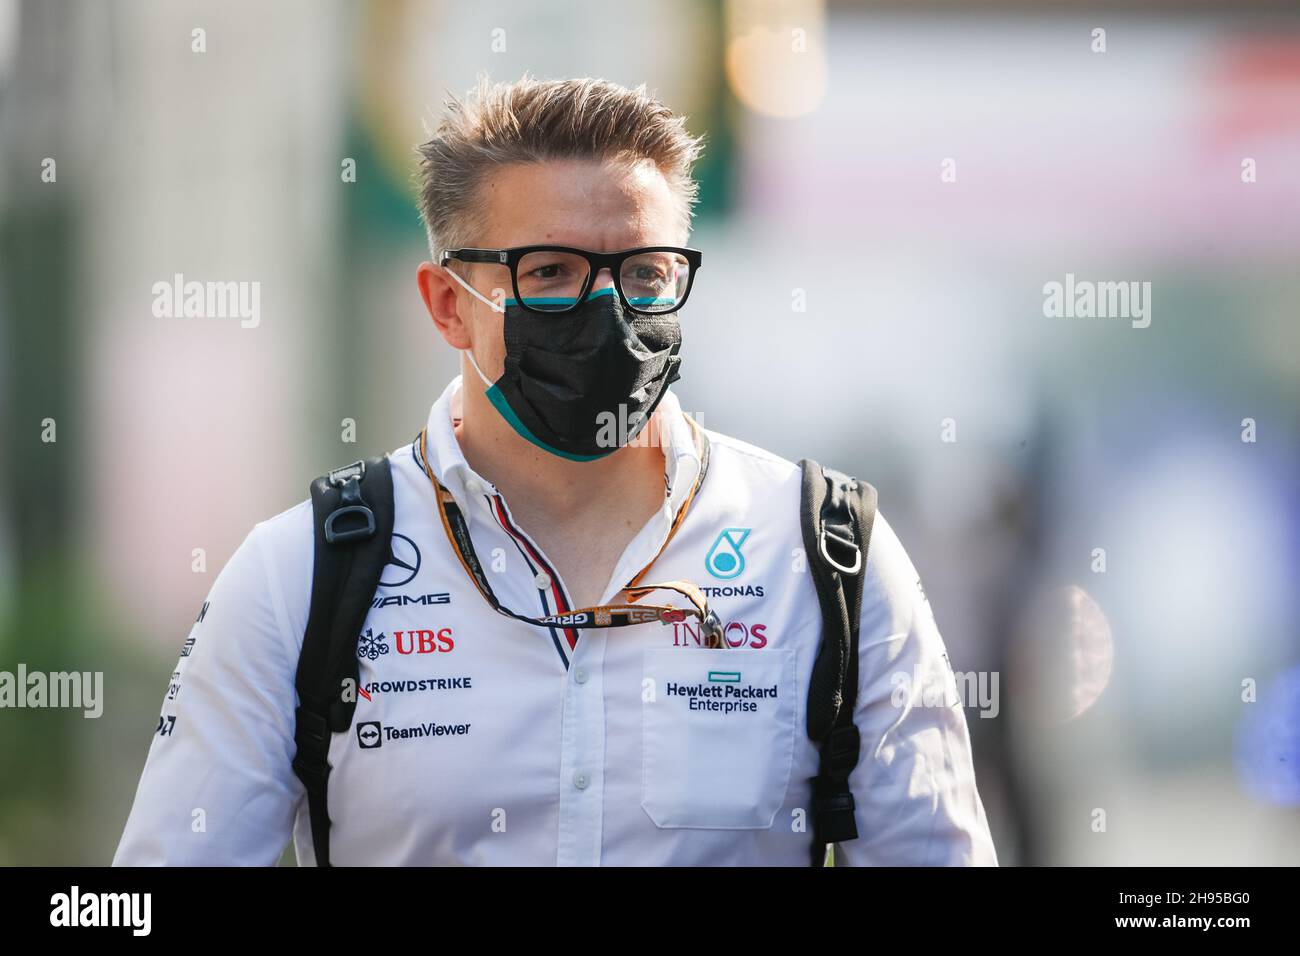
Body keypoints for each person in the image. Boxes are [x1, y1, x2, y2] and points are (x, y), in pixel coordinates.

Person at [113, 74, 998, 866]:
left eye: (644, 274)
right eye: (551, 272)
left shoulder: (826, 558)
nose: (608, 311)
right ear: (447, 305)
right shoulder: (297, 575)